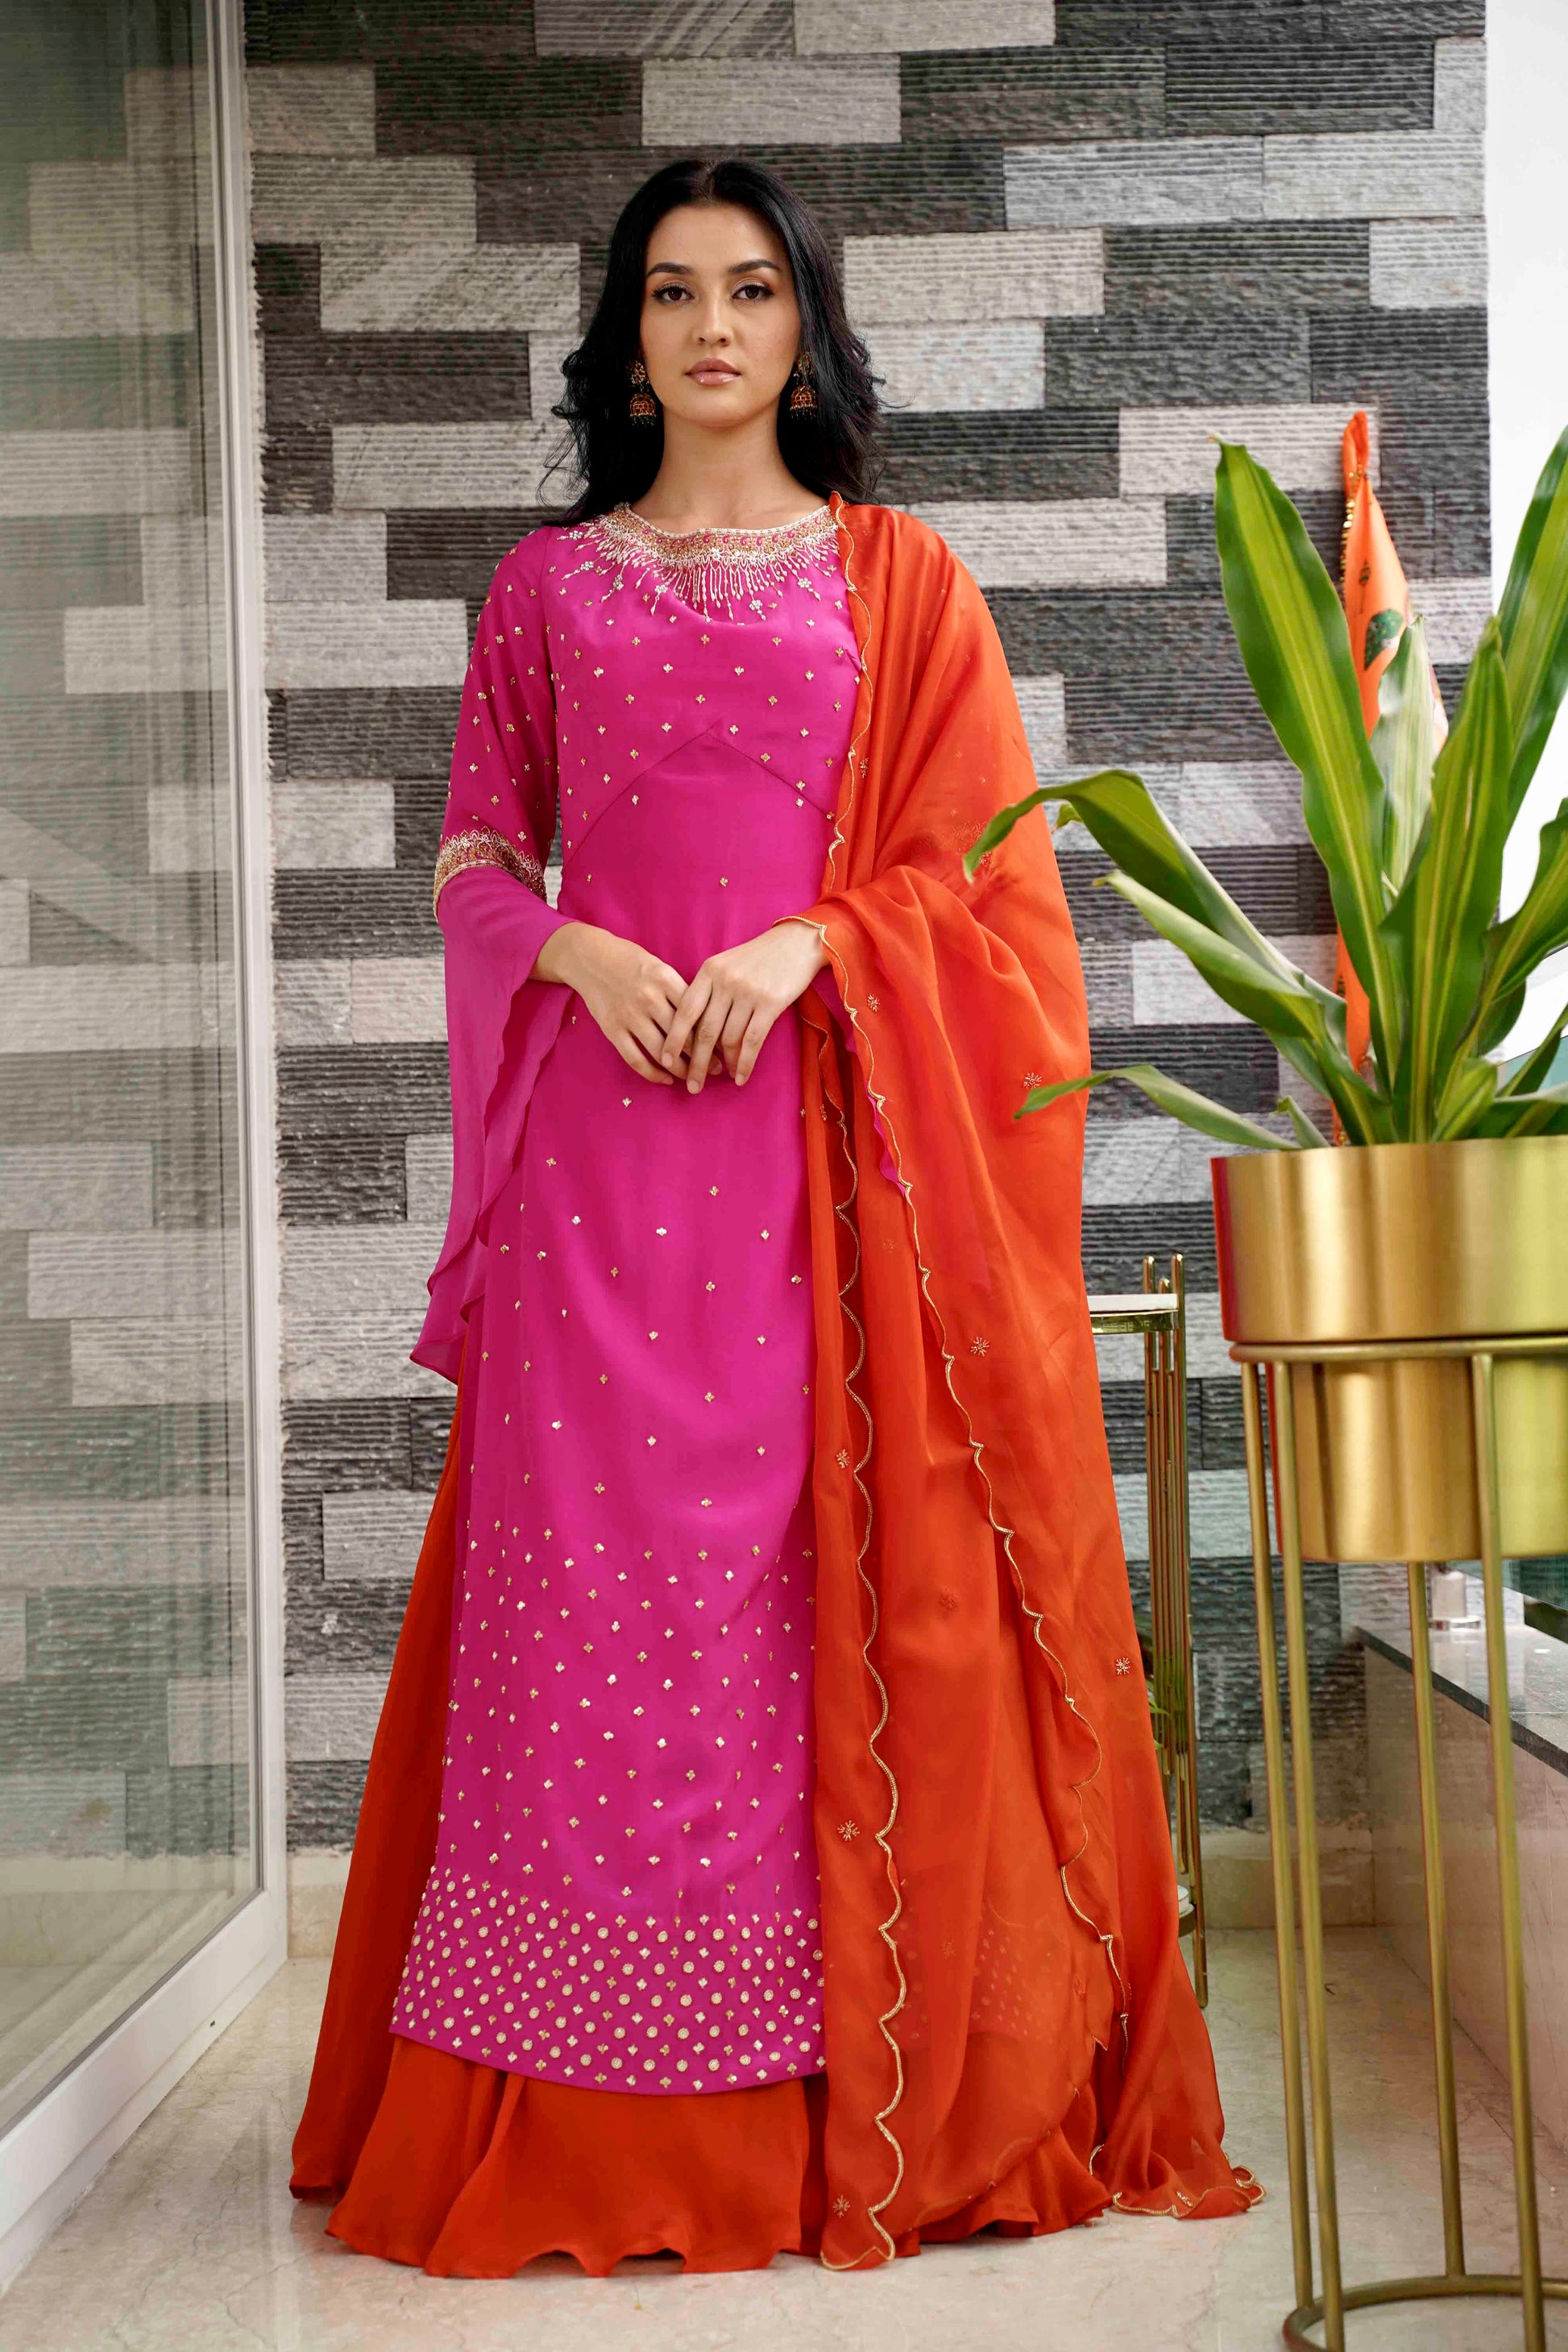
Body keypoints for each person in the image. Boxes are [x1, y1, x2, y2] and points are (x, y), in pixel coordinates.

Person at [289, 154, 1260, 2279]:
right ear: (623, 340)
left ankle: (831, 2102)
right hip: (600, 1189)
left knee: (804, 1613)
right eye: (668, 291)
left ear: (803, 324)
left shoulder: (900, 581)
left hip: (825, 1182)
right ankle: (558, 2106)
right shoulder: (547, 594)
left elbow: (991, 898)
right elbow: (472, 861)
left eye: (748, 288)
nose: (710, 325)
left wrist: (817, 944)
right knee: (590, 1625)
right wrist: (567, 953)